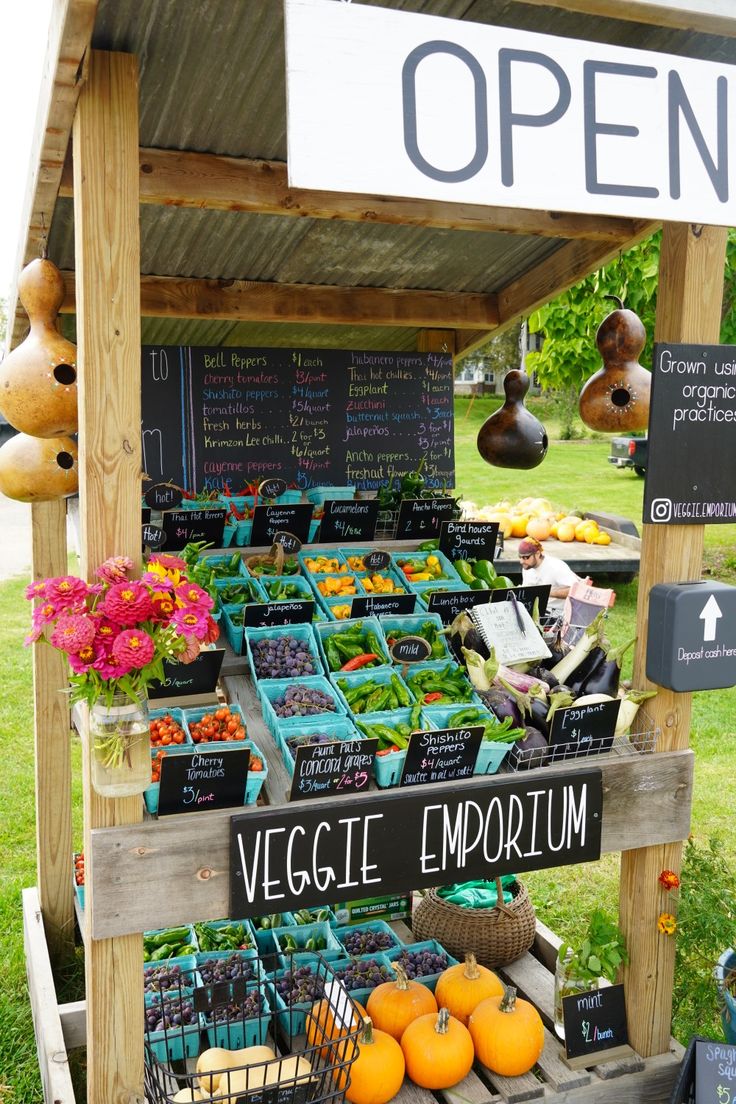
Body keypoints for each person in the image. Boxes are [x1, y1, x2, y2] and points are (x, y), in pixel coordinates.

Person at [517, 536, 582, 615]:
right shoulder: (527, 567)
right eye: (520, 557)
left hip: (556, 614)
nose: (521, 561)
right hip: (534, 611)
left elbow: (577, 590)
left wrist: (546, 592)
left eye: (525, 557)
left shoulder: (556, 566)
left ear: (537, 554)